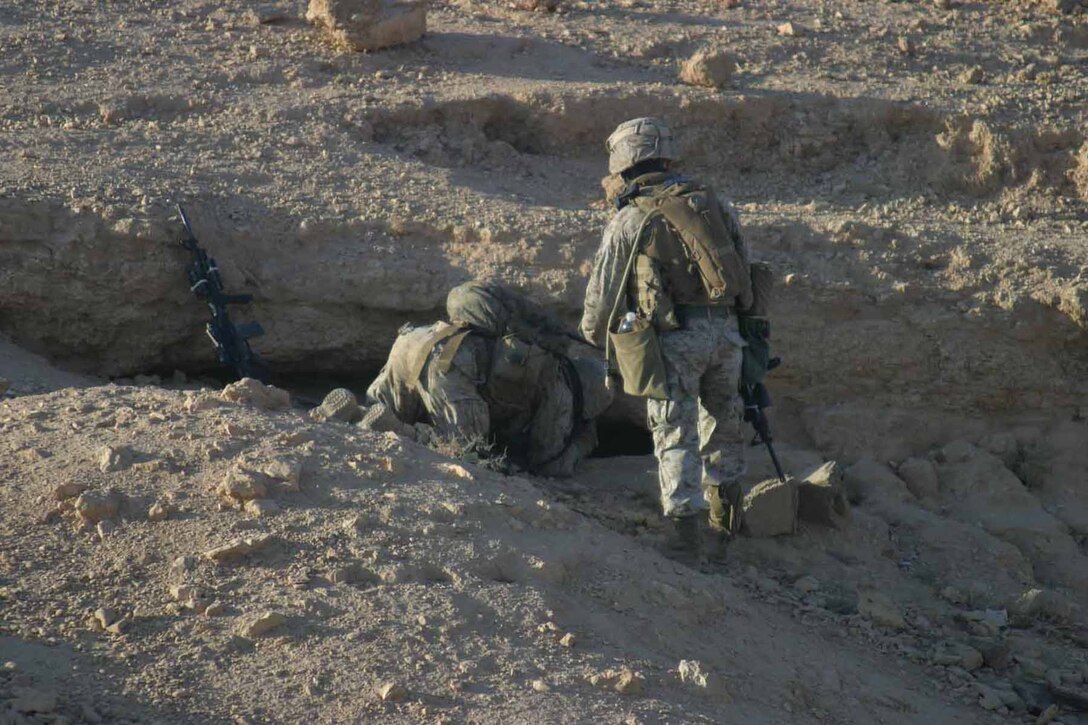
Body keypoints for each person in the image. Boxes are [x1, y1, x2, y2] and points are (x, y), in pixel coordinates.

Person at [580, 117, 753, 557]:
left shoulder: (632, 218)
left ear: (624, 163)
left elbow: (602, 295)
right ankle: (726, 525)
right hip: (728, 334)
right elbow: (745, 271)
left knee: (675, 431)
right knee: (725, 424)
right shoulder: (712, 203)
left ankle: (685, 539)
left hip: (675, 340)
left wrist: (594, 336)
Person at [366, 281, 612, 477]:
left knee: (377, 409)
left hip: (418, 339)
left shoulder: (547, 362)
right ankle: (404, 433)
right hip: (452, 366)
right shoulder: (561, 388)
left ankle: (354, 419)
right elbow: (549, 462)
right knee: (466, 453)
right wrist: (584, 441)